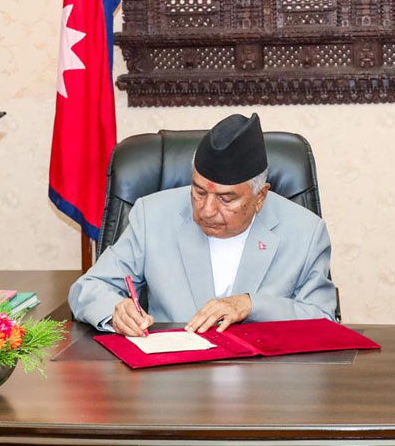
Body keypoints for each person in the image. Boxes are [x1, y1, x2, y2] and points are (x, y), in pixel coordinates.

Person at [69, 113, 338, 337]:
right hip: (173, 375)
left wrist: (252, 305)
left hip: (265, 379)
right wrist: (116, 311)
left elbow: (324, 319)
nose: (207, 211)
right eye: (198, 192)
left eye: (226, 198)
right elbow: (88, 288)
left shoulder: (306, 232)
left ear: (260, 197)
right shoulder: (152, 216)